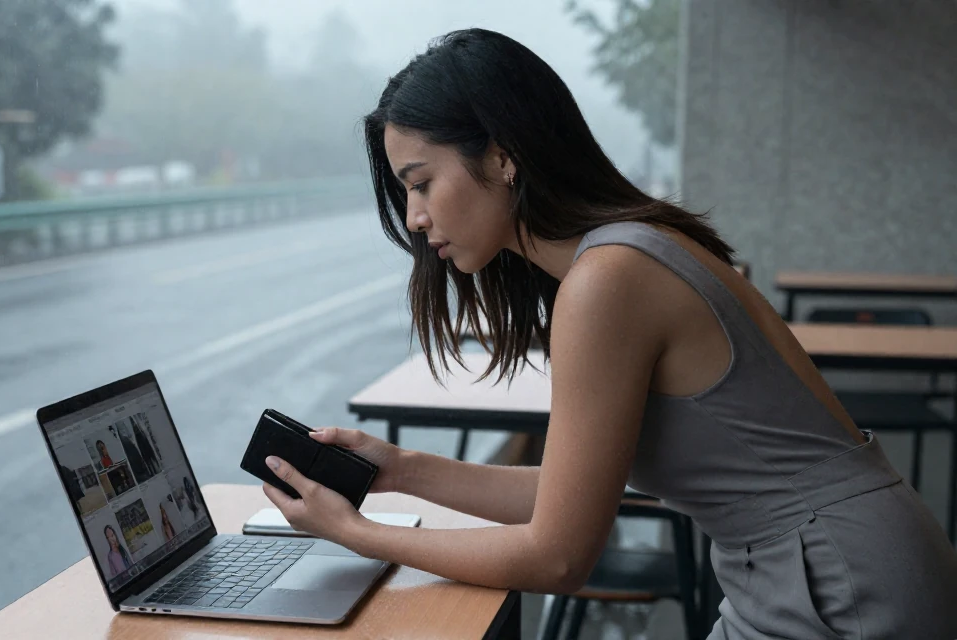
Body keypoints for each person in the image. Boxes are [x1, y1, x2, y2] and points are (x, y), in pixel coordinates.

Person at [259, 28, 957, 640]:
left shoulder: (608, 280)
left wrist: (353, 534)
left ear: (502, 156)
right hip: (820, 568)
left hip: (838, 587)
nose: (413, 217)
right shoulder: (623, 252)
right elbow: (568, 496)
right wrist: (397, 470)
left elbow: (558, 556)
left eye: (421, 182)